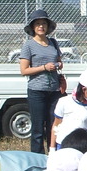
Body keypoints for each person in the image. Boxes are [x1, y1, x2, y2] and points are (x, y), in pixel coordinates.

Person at [19, 9, 64, 154]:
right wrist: (44, 67)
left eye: (43, 23)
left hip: (54, 90)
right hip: (37, 91)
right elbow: (24, 70)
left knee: (54, 125)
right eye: (38, 24)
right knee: (38, 127)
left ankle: (54, 154)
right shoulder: (28, 45)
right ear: (33, 27)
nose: (41, 26)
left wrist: (58, 65)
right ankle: (37, 157)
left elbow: (58, 61)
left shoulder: (53, 43)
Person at [50, 69, 87, 150]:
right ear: (84, 89)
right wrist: (52, 148)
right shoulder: (64, 102)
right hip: (64, 146)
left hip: (85, 147)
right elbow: (56, 126)